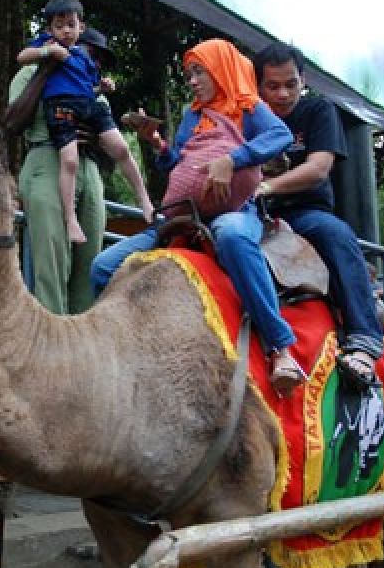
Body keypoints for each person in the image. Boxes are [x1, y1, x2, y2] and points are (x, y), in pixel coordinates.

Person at [90, 38, 305, 396]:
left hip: (233, 212)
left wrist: (231, 161)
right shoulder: (192, 115)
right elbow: (180, 164)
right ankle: (119, 346)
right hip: (179, 217)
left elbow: (280, 136)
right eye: (189, 74)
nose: (191, 81)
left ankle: (279, 347)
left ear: (221, 69)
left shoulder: (247, 108)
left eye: (198, 72)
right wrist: (158, 145)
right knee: (102, 266)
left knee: (233, 236)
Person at [252, 41, 384, 388]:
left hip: (304, 213)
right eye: (273, 86)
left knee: (336, 234)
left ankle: (364, 338)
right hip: (254, 215)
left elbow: (317, 169)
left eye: (290, 84)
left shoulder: (317, 112)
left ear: (303, 81)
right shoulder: (246, 117)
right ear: (257, 85)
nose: (283, 94)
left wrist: (267, 187)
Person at [17, 0, 154, 245]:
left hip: (87, 106)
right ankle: (70, 220)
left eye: (71, 25)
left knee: (121, 148)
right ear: (50, 30)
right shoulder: (49, 47)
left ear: (81, 27)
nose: (65, 31)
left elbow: (87, 87)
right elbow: (22, 56)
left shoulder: (83, 57)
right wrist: (48, 51)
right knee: (68, 161)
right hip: (60, 107)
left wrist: (102, 87)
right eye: (59, 26)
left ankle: (144, 198)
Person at [11, 26, 115, 314]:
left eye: (100, 58)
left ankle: (80, 349)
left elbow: (112, 158)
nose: (95, 62)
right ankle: (52, 349)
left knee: (90, 270)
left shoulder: (93, 87)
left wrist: (96, 139)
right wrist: (48, 70)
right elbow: (12, 122)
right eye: (89, 52)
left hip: (89, 171)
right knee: (51, 271)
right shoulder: (30, 72)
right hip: (46, 160)